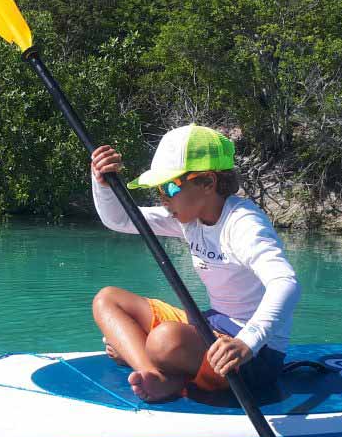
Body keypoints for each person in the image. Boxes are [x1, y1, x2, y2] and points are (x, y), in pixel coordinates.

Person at [90, 124, 300, 403]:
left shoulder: (243, 224)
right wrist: (102, 184)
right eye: (158, 188)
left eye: (170, 186)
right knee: (108, 300)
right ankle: (155, 374)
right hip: (210, 325)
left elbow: (285, 282)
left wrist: (246, 343)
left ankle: (160, 366)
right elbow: (120, 219)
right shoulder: (189, 217)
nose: (162, 198)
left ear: (207, 183)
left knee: (163, 341)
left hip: (256, 353)